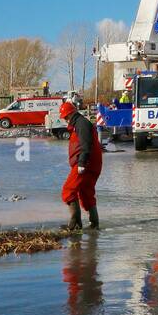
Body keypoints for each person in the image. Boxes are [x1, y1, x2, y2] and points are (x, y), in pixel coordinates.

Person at [59, 99, 103, 231]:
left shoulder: (81, 124)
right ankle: (94, 225)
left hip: (85, 164)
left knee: (68, 190)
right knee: (86, 193)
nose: (65, 120)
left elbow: (86, 144)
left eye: (66, 117)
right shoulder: (80, 123)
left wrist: (82, 163)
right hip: (91, 164)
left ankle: (75, 223)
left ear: (70, 114)